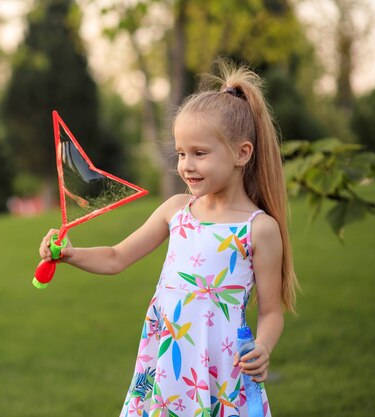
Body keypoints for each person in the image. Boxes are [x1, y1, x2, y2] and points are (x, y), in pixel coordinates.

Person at [38, 60, 298, 417]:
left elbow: (271, 311)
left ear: (242, 153)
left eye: (199, 153)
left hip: (221, 370)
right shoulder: (176, 210)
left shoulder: (258, 228)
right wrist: (69, 254)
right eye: (180, 153)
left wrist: (264, 347)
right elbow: (116, 257)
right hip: (165, 367)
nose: (186, 165)